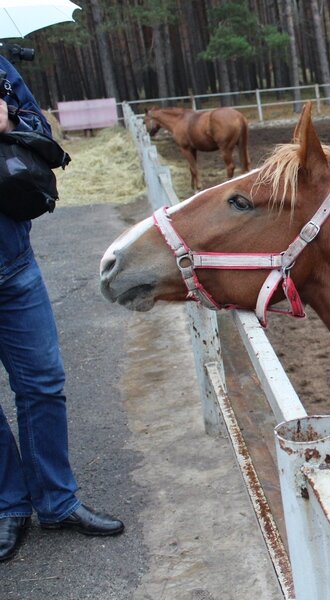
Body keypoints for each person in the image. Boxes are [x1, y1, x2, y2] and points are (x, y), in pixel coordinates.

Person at [0, 54, 123, 563]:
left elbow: (41, 132)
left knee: (43, 385)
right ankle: (9, 505)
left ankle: (57, 500)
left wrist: (9, 120)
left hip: (14, 267)